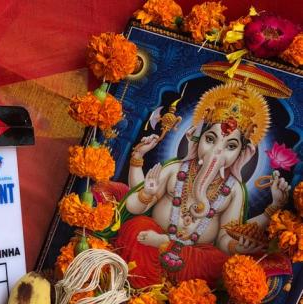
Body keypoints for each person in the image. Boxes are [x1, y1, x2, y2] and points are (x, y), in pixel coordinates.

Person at [115, 81, 290, 288]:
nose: (217, 151)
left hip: (194, 257)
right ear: (195, 138)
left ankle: (170, 262)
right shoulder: (175, 169)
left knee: (219, 262)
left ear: (242, 154)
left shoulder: (233, 190)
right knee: (135, 228)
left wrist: (238, 245)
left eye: (230, 146)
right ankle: (142, 287)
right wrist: (147, 193)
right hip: (151, 241)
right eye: (210, 139)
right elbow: (134, 208)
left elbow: (224, 239)